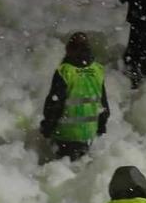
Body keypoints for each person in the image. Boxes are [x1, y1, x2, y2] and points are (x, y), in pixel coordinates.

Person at [40, 31, 108, 159]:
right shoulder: (97, 70)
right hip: (88, 135)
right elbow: (104, 107)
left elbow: (55, 104)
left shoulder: (65, 72)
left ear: (69, 50)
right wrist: (101, 127)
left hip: (65, 134)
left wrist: (47, 127)